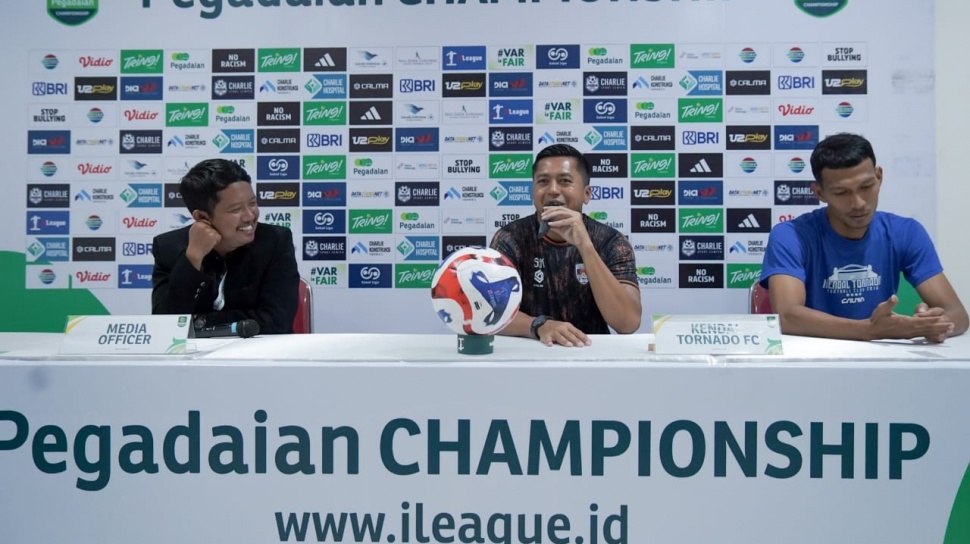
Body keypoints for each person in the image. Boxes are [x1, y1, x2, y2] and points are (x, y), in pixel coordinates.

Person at [760, 133, 968, 342]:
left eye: (866, 187)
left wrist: (933, 324)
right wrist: (870, 331)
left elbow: (958, 315)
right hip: (811, 355)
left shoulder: (906, 232)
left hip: (881, 357)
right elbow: (787, 316)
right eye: (841, 193)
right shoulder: (790, 235)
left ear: (879, 177)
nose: (858, 203)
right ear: (819, 193)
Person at [489, 144, 641, 347]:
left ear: (586, 194)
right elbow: (490, 311)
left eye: (564, 181)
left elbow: (628, 323)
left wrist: (585, 246)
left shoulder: (611, 241)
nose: (553, 190)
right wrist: (539, 325)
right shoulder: (510, 238)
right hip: (528, 352)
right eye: (543, 181)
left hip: (590, 354)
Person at [152, 159, 299, 334]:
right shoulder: (169, 247)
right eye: (236, 209)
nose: (250, 216)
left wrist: (200, 322)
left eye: (252, 203)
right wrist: (192, 258)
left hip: (261, 349)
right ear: (202, 217)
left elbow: (277, 321)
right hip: (194, 352)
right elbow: (166, 325)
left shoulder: (274, 241)